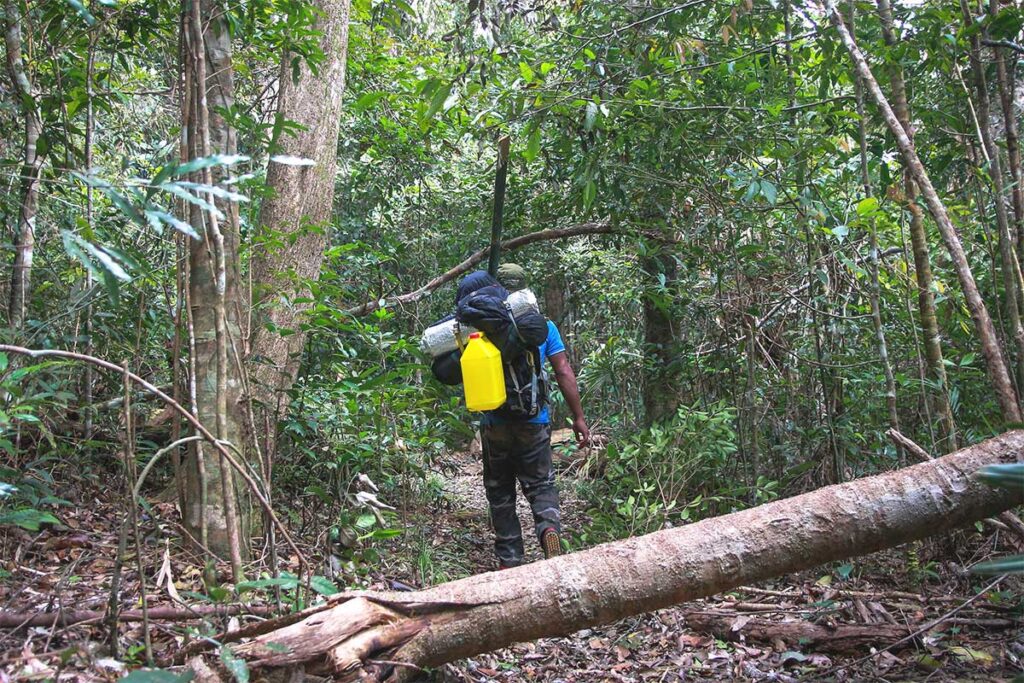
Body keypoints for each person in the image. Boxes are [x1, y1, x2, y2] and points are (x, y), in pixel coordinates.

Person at [432, 266, 590, 569]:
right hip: (534, 421)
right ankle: (549, 531)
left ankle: (510, 559)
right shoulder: (541, 326)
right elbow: (563, 371)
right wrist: (579, 418)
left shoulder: (474, 331)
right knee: (541, 485)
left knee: (500, 492)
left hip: (494, 424)